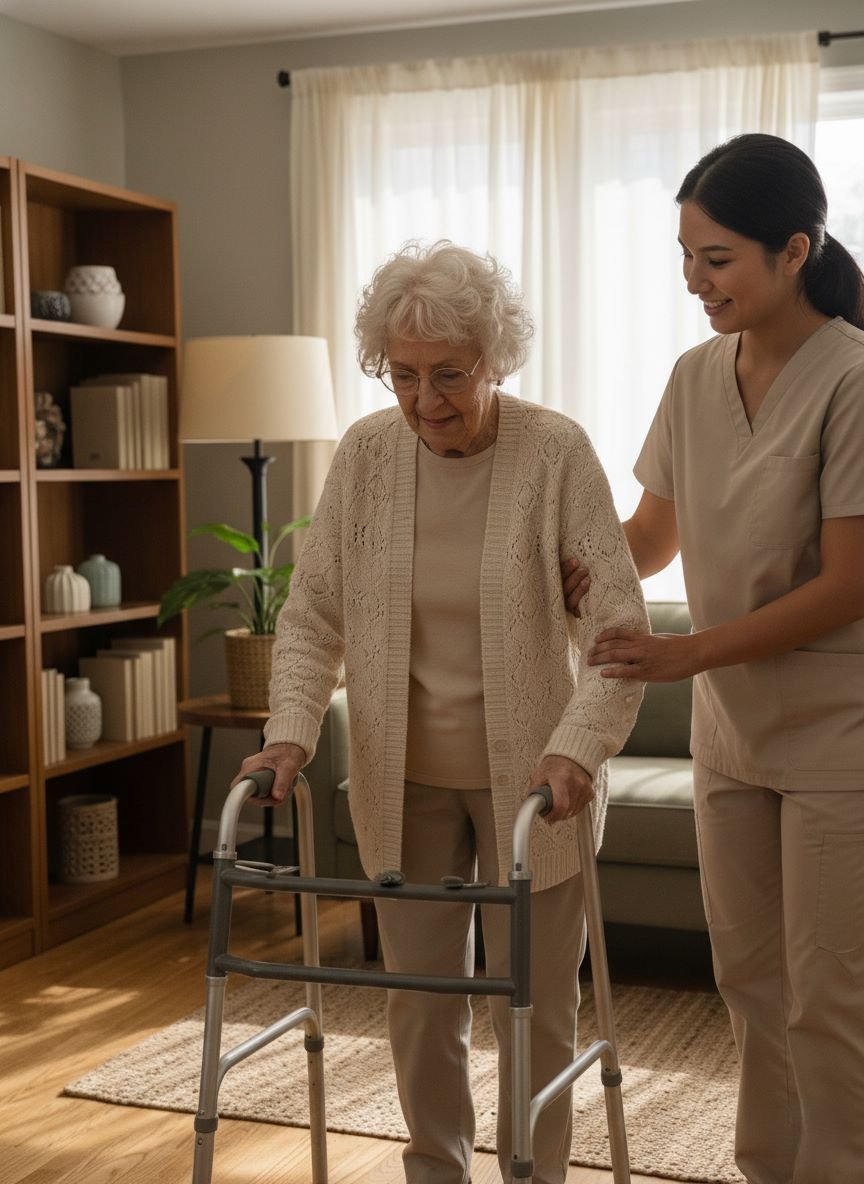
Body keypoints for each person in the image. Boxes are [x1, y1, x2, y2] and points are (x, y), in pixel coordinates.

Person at [234, 240, 648, 1184]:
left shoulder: (556, 452)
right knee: (420, 1007)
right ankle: (435, 1172)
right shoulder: (367, 456)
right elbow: (311, 617)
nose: (425, 402)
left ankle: (533, 1175)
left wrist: (580, 750)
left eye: (449, 375)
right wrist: (290, 732)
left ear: (496, 359)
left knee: (537, 1010)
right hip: (402, 777)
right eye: (402, 375)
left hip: (535, 791)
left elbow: (618, 633)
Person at [563, 133, 864, 1184]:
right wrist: (563, 563)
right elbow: (649, 539)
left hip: (839, 731)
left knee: (830, 993)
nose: (695, 281)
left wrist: (685, 649)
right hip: (730, 732)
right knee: (747, 978)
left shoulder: (854, 380)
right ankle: (764, 1168)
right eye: (685, 256)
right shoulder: (693, 377)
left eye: (718, 258)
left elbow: (847, 581)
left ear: (794, 249)